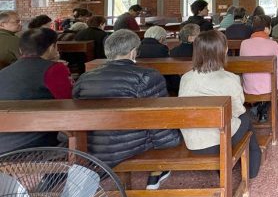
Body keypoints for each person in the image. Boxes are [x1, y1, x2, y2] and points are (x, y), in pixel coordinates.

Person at [72, 30, 180, 187]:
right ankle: (157, 172)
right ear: (133, 52)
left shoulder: (84, 78)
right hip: (131, 143)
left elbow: (77, 112)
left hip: (93, 142)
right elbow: (157, 116)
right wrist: (170, 142)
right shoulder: (147, 76)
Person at [178, 30, 261, 178]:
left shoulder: (186, 78)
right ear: (225, 50)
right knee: (246, 118)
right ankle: (252, 169)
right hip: (218, 142)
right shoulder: (229, 78)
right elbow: (237, 110)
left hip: (193, 141)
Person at [0, 28, 73, 154]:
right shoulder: (55, 69)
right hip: (34, 143)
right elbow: (69, 102)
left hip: (4, 144)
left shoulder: (4, 72)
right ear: (52, 47)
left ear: (21, 50)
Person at [239, 16, 278, 122]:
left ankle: (259, 107)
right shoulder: (273, 44)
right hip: (270, 87)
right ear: (266, 29)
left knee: (262, 81)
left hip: (249, 87)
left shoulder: (244, 43)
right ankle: (262, 109)